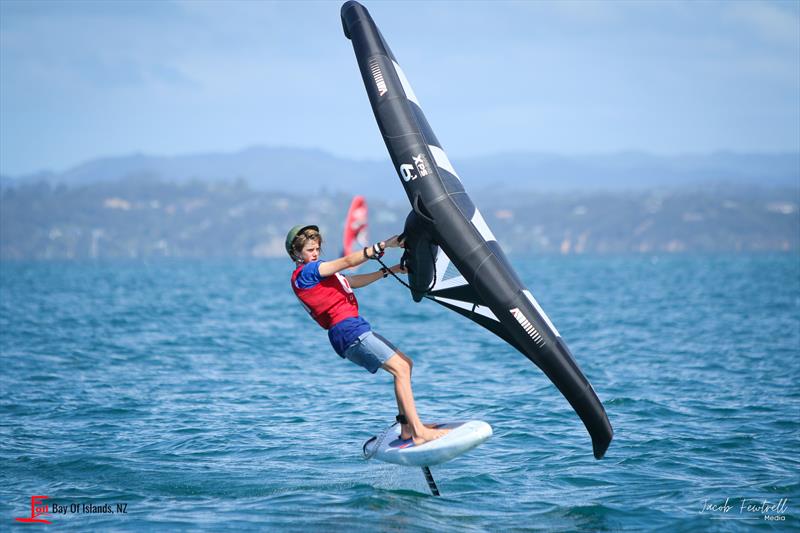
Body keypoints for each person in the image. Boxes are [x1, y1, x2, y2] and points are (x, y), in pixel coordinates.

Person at [286, 224, 448, 446]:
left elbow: (351, 282)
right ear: (296, 254)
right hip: (347, 330)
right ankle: (419, 432)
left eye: (316, 249)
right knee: (400, 369)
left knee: (405, 365)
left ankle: (407, 428)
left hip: (352, 327)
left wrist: (389, 270)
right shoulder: (307, 273)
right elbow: (347, 262)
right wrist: (383, 246)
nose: (314, 254)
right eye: (309, 250)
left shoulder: (320, 273)